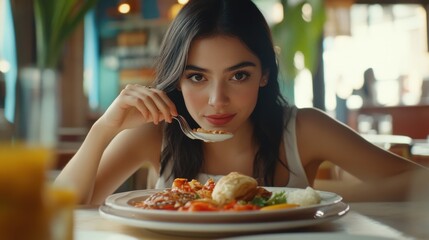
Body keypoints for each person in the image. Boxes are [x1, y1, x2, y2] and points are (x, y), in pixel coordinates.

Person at [55, 0, 426, 204]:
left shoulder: (301, 129)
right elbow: (60, 209)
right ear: (177, 78)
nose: (217, 101)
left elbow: (420, 184)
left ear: (264, 74)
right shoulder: (159, 133)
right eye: (197, 77)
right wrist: (103, 129)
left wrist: (303, 197)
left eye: (239, 76)